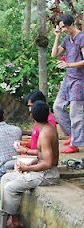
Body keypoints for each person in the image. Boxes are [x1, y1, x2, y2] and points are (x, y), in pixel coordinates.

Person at [0, 100, 60, 228]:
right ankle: (8, 215)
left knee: (10, 187)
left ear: (31, 115)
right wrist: (31, 161)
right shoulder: (46, 128)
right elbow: (42, 154)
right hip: (41, 169)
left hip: (48, 175)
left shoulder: (45, 134)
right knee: (5, 178)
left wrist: (27, 168)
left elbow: (49, 163)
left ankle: (14, 220)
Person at [52, 14, 84, 153]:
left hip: (80, 80)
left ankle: (75, 144)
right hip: (68, 79)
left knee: (75, 113)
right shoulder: (66, 38)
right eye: (60, 28)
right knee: (57, 107)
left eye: (63, 27)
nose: (62, 29)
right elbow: (54, 54)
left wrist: (68, 64)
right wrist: (57, 36)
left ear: (71, 24)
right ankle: (72, 134)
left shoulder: (81, 38)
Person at [16, 90, 56, 156]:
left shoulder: (47, 123)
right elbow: (39, 144)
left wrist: (26, 151)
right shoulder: (39, 118)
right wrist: (26, 144)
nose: (30, 109)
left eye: (31, 106)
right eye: (29, 106)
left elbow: (45, 153)